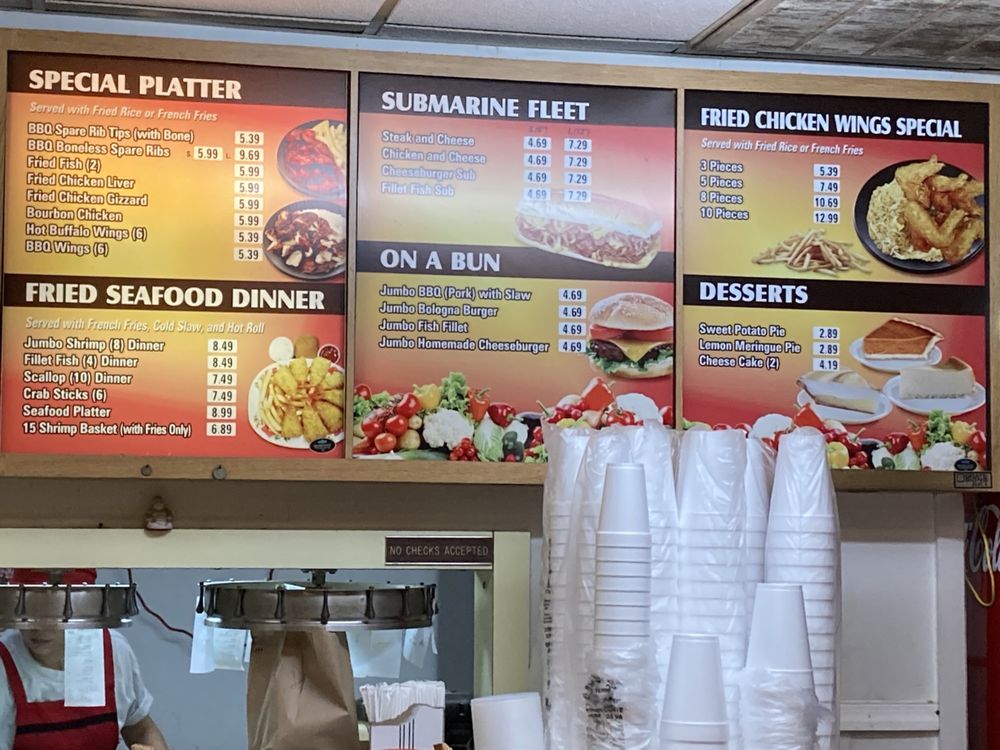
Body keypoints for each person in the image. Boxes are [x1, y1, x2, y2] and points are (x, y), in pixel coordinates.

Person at [0, 569, 170, 750]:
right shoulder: (4, 665)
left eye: (55, 611)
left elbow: (141, 729)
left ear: (82, 608)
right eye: (29, 611)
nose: (39, 627)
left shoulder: (112, 651)